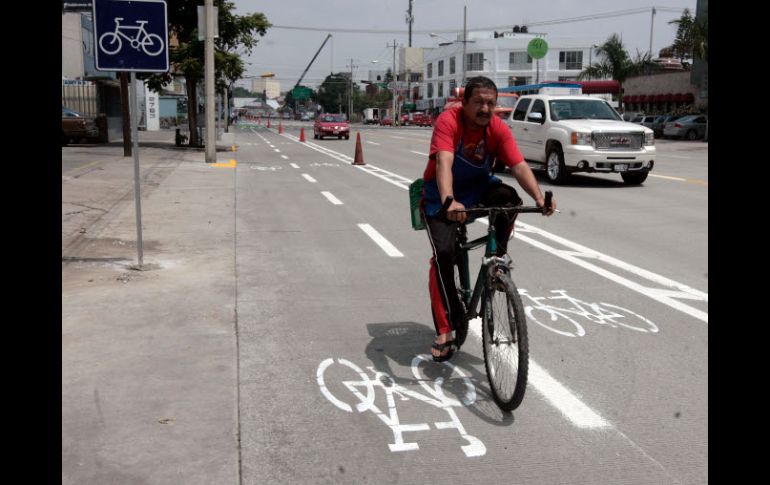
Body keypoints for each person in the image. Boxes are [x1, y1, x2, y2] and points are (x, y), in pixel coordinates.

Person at [420, 76, 556, 362]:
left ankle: (497, 262)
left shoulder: (496, 128)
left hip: (478, 190)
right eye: (479, 102)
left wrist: (539, 198)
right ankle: (447, 326)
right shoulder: (449, 121)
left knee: (509, 199)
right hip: (440, 198)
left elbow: (518, 166)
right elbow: (444, 161)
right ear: (464, 103)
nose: (485, 109)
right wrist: (449, 201)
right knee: (444, 254)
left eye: (490, 103)